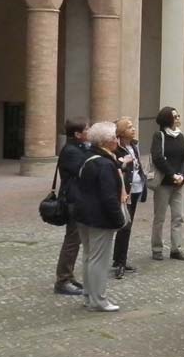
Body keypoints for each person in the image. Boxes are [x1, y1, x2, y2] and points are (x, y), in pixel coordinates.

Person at [72, 121, 130, 313]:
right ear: (106, 142)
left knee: (89, 257)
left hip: (84, 215)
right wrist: (119, 220)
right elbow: (108, 197)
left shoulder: (87, 158)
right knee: (98, 259)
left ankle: (89, 296)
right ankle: (98, 300)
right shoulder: (104, 164)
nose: (116, 140)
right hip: (99, 218)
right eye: (114, 137)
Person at [53, 117, 90, 296]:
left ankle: (69, 276)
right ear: (77, 134)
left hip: (78, 199)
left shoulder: (78, 148)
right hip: (74, 200)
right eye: (87, 130)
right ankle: (63, 280)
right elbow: (85, 171)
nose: (89, 132)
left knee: (75, 240)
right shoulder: (71, 151)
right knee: (72, 241)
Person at [150, 106, 184, 261]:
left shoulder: (180, 136)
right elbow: (158, 157)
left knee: (178, 216)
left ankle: (176, 249)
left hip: (178, 183)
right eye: (175, 116)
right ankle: (157, 248)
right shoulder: (159, 136)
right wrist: (172, 174)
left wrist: (181, 174)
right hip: (164, 183)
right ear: (168, 119)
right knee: (159, 217)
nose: (178, 118)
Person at [112, 117, 149, 279]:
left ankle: (120, 258)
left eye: (133, 126)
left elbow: (138, 165)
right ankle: (120, 261)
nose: (133, 129)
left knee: (128, 225)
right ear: (120, 132)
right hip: (123, 191)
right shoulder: (116, 148)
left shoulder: (134, 144)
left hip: (136, 189)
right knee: (124, 226)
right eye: (129, 127)